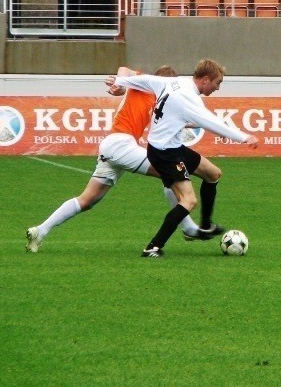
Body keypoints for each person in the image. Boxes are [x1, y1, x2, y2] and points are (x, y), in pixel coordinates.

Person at [25, 66, 211, 253]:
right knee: (170, 173)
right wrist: (119, 83)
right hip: (121, 144)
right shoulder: (144, 83)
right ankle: (187, 227)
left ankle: (40, 231)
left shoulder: (159, 100)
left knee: (87, 200)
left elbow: (188, 120)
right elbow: (124, 70)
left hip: (114, 147)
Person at [106, 60, 259, 258]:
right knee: (188, 200)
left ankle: (205, 226)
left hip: (173, 147)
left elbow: (146, 80)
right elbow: (212, 121)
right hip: (164, 153)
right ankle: (152, 247)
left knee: (213, 174)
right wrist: (244, 137)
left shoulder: (175, 83)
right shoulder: (188, 98)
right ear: (205, 79)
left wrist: (121, 80)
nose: (217, 88)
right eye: (217, 83)